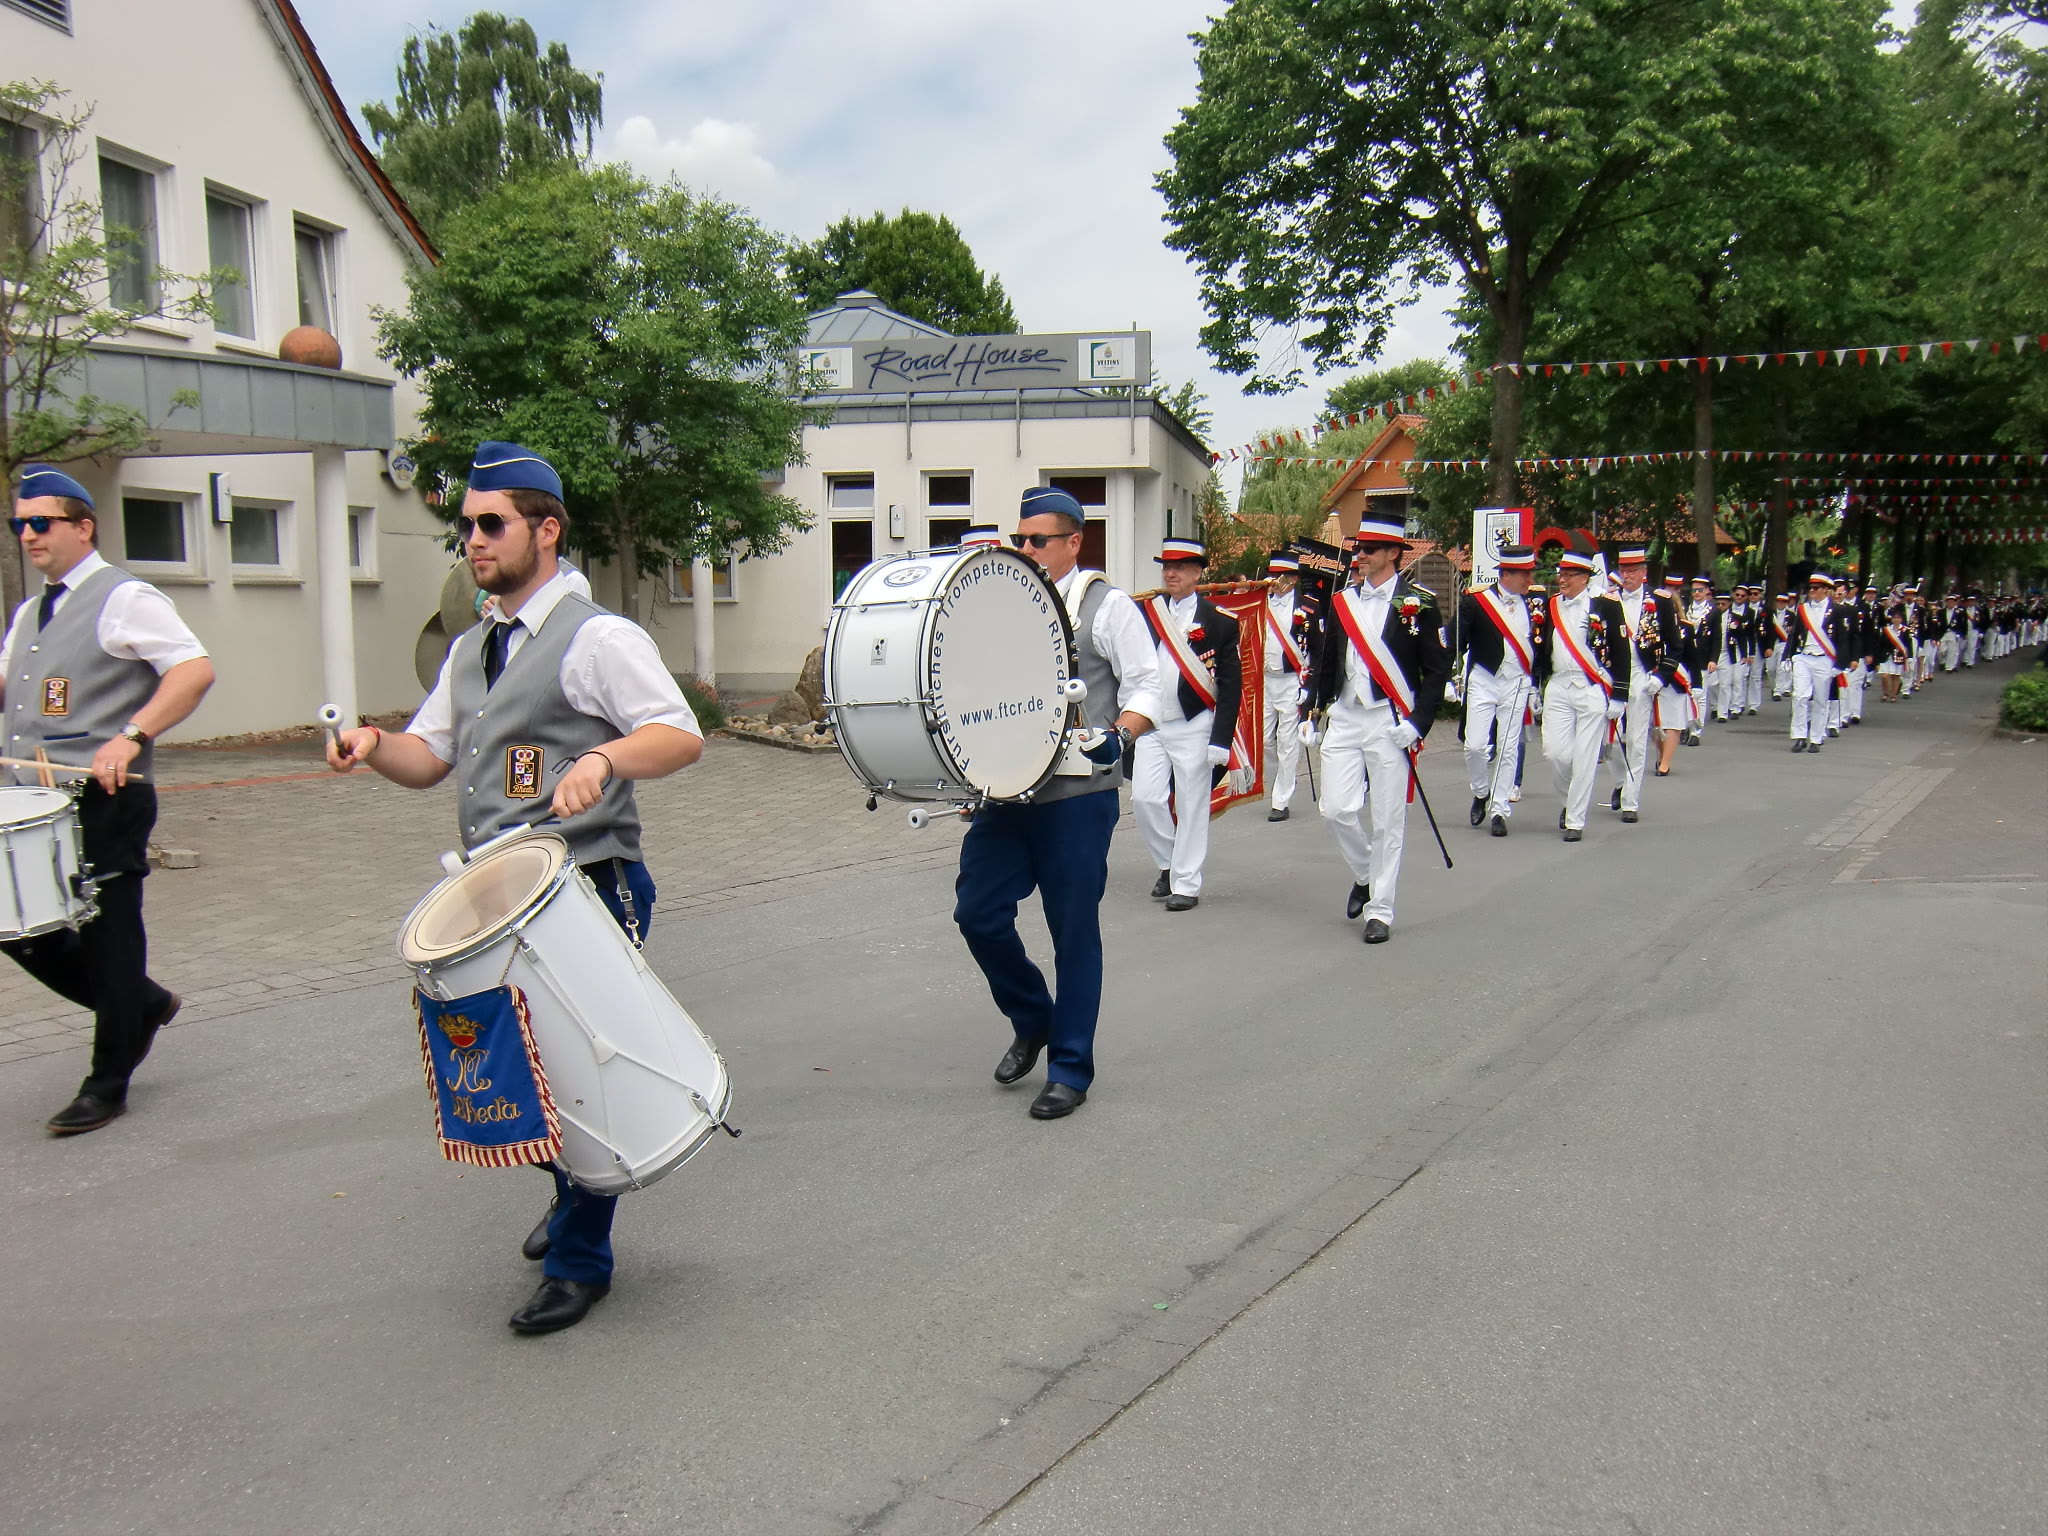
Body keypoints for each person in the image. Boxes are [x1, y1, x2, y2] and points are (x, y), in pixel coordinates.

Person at [327, 441, 704, 1335]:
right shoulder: (473, 647)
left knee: (579, 1074)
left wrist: (603, 757)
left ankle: (580, 1261)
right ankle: (572, 1188)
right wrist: (374, 747)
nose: (473, 541)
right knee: (525, 1075)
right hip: (496, 905)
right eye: (465, 526)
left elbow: (679, 733)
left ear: (546, 529)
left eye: (491, 524)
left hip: (588, 886)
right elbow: (428, 758)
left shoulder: (598, 638)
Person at [3, 466, 216, 1135]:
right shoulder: (31, 612)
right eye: (19, 524)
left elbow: (193, 669)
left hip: (104, 798)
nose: (28, 535)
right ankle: (140, 1004)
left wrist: (132, 734)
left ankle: (108, 1081)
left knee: (108, 933)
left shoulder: (124, 597)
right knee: (21, 928)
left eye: (42, 522)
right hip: (33, 805)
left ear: (83, 526)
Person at [953, 486, 1160, 1119]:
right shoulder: (1001, 604)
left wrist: (1122, 733)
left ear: (1074, 542)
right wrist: (970, 775)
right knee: (977, 913)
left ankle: (1070, 1067)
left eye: (1037, 539)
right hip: (1008, 795)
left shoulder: (1108, 606)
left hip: (1077, 796)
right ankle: (1034, 1017)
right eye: (1020, 539)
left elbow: (1147, 684)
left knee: (1072, 931)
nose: (1025, 548)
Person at [1301, 514, 1451, 944]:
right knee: (1335, 809)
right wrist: (1311, 710)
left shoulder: (1419, 603)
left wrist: (1418, 724)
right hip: (1346, 716)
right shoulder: (1343, 601)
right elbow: (1327, 662)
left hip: (1390, 719)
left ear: (1392, 553)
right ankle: (1367, 873)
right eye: (1358, 549)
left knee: (1388, 818)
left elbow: (1437, 671)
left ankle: (1380, 909)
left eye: (1368, 550)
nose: (1360, 556)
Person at [1133, 537, 1241, 912]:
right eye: (1167, 567)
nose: (1171, 573)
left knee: (1192, 804)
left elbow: (1231, 686)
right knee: (1144, 797)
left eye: (1179, 567)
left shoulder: (1220, 622)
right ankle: (1168, 863)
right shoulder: (1147, 613)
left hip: (1194, 722)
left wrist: (1221, 738)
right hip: (1152, 722)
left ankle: (1186, 883)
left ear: (1197, 573)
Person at [1535, 551, 1630, 842]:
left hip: (1591, 685)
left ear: (1584, 578)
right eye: (1561, 574)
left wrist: (1620, 694)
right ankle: (1568, 802)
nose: (1562, 580)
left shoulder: (1607, 606)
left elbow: (1621, 649)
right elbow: (1541, 647)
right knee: (1555, 753)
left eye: (1569, 575)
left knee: (1585, 757)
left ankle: (1575, 820)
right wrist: (1534, 685)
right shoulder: (1551, 605)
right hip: (1559, 684)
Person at [1456, 544, 1536, 837]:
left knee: (1508, 747)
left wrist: (1537, 684)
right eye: (1524, 574)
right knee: (1475, 746)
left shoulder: (1535, 603)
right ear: (1506, 575)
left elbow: (1541, 646)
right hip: (1484, 678)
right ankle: (1481, 791)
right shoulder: (1477, 601)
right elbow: (1455, 638)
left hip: (1516, 682)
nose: (1529, 580)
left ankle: (1499, 809)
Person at [1602, 549, 1679, 825]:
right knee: (1608, 739)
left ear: (1644, 572)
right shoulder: (1608, 600)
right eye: (1624, 570)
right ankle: (1621, 781)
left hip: (1641, 674)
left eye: (1633, 570)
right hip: (1613, 675)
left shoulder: (1660, 601)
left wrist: (1661, 676)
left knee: (1635, 739)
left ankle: (1630, 800)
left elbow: (1675, 644)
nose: (1627, 575)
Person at [1260, 551, 1309, 822]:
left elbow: (1316, 649)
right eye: (1272, 575)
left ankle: (1281, 800)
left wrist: (1309, 686)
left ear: (1293, 579)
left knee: (1287, 742)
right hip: (1265, 680)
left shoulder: (1308, 607)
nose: (1275, 582)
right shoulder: (1261, 604)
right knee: (1266, 740)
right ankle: (1281, 779)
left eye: (1280, 576)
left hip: (1291, 681)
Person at [1788, 571, 1855, 753]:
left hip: (1824, 659)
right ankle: (1799, 736)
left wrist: (1840, 664)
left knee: (1820, 699)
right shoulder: (1803, 609)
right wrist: (1789, 656)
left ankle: (1816, 738)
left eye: (1816, 588)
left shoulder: (1838, 610)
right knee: (1799, 696)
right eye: (1810, 588)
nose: (1812, 591)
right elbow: (1795, 634)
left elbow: (1843, 639)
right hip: (1803, 657)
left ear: (1826, 590)